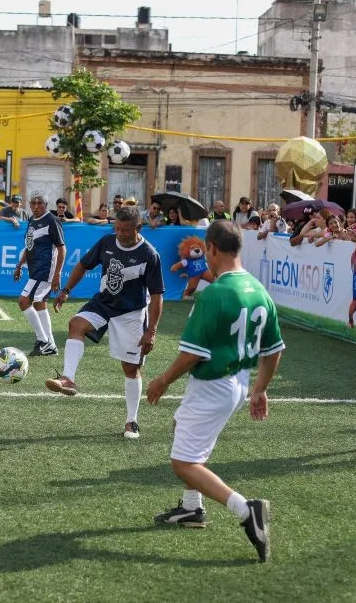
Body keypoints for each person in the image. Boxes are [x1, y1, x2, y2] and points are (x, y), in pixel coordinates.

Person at [146, 221, 283, 563]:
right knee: (182, 431)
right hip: (236, 382)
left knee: (183, 462)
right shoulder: (259, 289)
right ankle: (192, 509)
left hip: (212, 385)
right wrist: (260, 389)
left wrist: (162, 380)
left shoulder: (216, 294)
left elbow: (192, 353)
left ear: (211, 249)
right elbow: (274, 349)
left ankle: (245, 509)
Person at [45, 206, 163, 439]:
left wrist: (151, 331)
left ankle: (131, 421)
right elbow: (83, 265)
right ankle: (68, 379)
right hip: (103, 303)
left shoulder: (149, 254)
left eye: (125, 230)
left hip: (131, 313)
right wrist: (66, 290)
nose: (119, 233)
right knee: (75, 324)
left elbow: (157, 296)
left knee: (130, 369)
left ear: (138, 228)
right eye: (116, 228)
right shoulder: (107, 242)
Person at [13, 193, 65, 357]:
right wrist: (20, 264)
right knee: (39, 304)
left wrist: (57, 274)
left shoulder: (51, 220)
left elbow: (62, 248)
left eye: (40, 203)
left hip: (45, 270)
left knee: (23, 301)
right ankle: (51, 345)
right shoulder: (32, 220)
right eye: (33, 203)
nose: (36, 206)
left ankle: (43, 341)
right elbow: (30, 245)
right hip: (35, 269)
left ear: (46, 205)